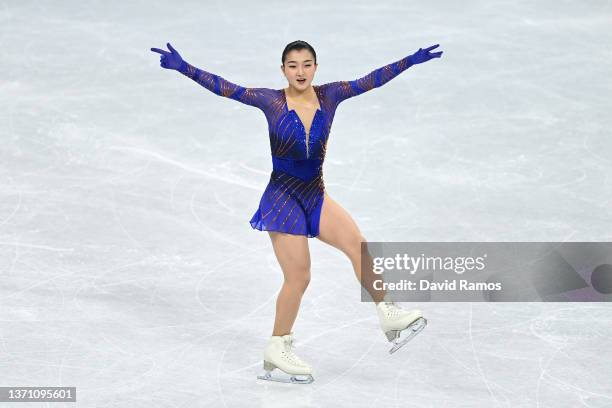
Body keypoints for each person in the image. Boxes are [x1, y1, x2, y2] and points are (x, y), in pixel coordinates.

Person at [150, 40, 443, 383]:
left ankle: (387, 312)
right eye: (293, 65)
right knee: (299, 277)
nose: (300, 72)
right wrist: (184, 67)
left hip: (314, 195)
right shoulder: (270, 101)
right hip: (282, 199)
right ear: (283, 70)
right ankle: (277, 346)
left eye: (306, 64)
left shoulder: (331, 96)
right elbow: (226, 88)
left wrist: (411, 59)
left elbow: (371, 80)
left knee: (357, 244)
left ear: (315, 67)